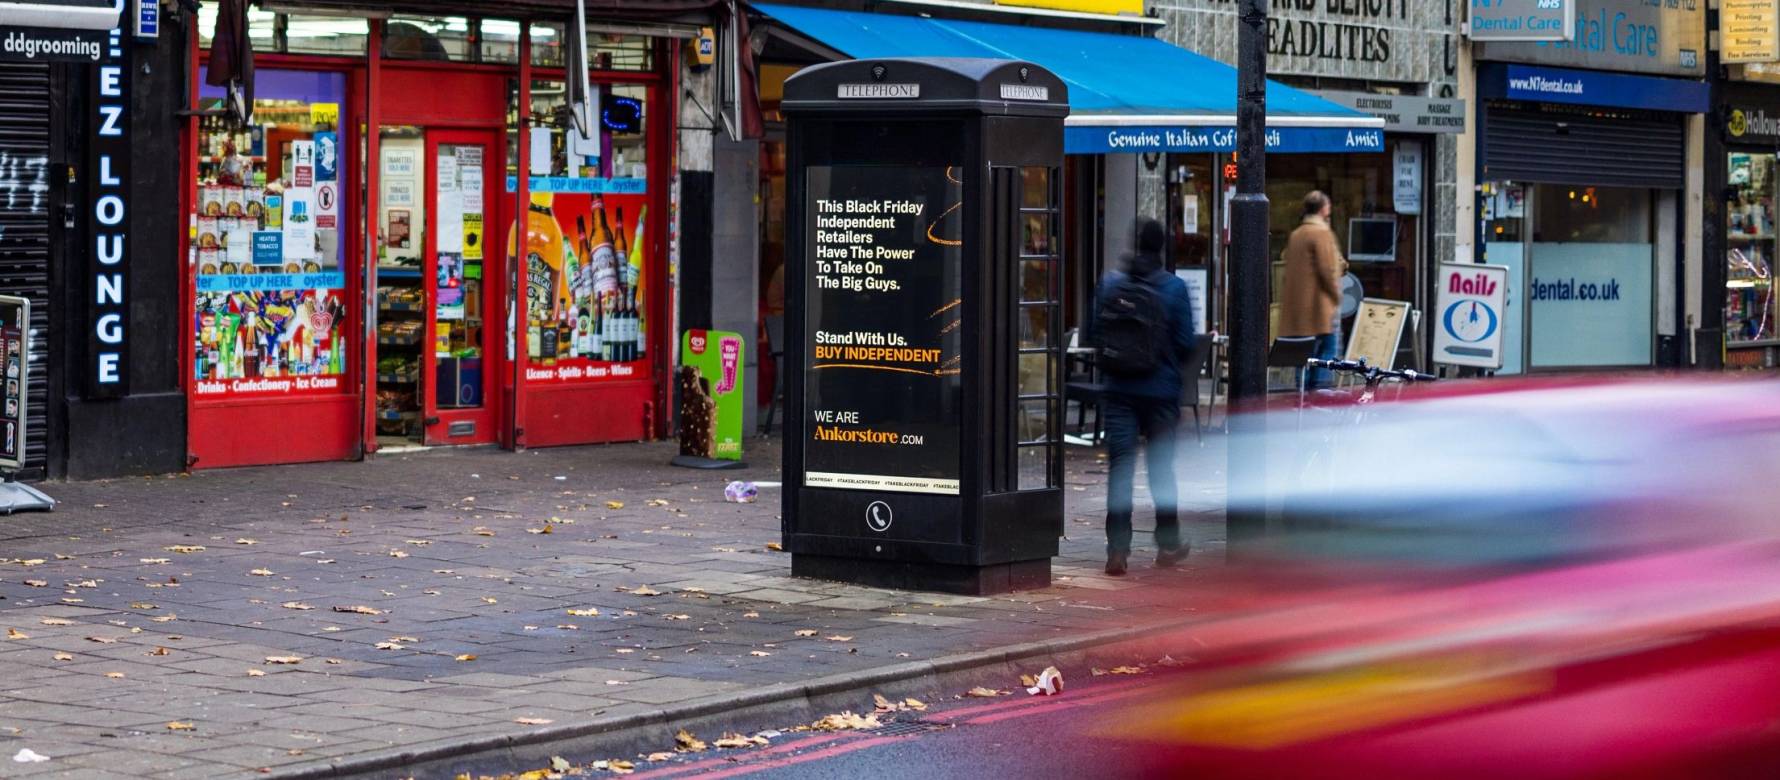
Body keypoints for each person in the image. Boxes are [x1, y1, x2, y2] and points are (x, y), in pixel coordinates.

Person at [1092, 218, 1195, 576]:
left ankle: (1117, 550)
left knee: (1121, 469)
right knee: (1161, 471)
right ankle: (1168, 544)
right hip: (1161, 393)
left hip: (1119, 390)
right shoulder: (1175, 288)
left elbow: (1095, 332)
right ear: (1162, 247)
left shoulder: (1110, 284)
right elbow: (1185, 343)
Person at [1279, 190, 1347, 390]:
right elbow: (1327, 270)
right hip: (1320, 311)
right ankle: (1318, 396)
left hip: (1299, 313)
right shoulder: (1321, 233)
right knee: (1327, 352)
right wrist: (1336, 296)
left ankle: (1302, 398)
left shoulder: (1296, 234)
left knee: (1304, 358)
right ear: (1323, 208)